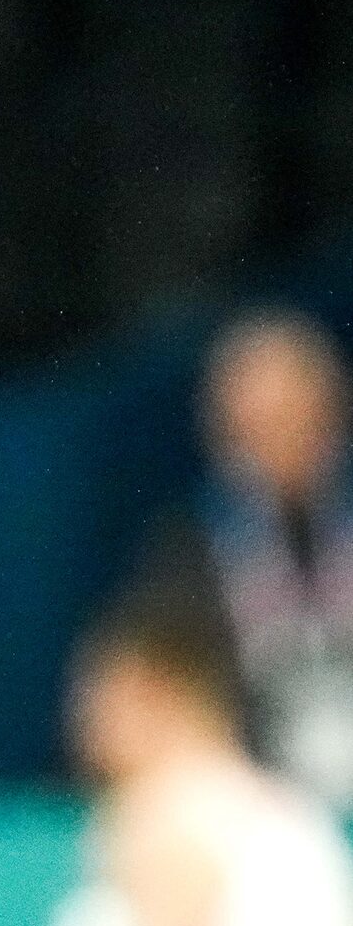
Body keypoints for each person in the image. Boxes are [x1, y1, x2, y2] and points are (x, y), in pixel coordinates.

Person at [55, 592, 353, 926]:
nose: (83, 720)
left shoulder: (166, 806)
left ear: (153, 694)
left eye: (99, 695)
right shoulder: (274, 803)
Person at [123, 306, 353, 809]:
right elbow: (154, 702)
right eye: (257, 427)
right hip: (258, 821)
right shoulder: (185, 553)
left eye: (297, 416)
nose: (280, 442)